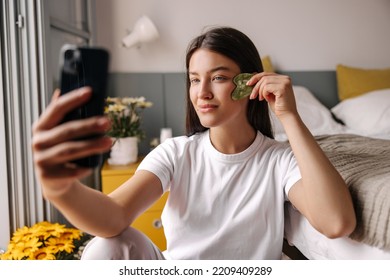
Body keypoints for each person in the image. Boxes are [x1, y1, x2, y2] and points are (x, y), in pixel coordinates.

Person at [32, 26, 356, 260]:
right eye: (194, 79)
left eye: (217, 77)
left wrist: (289, 115)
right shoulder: (176, 153)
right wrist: (59, 189)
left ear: (248, 84)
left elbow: (335, 222)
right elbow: (114, 216)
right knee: (106, 246)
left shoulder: (278, 159)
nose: (202, 93)